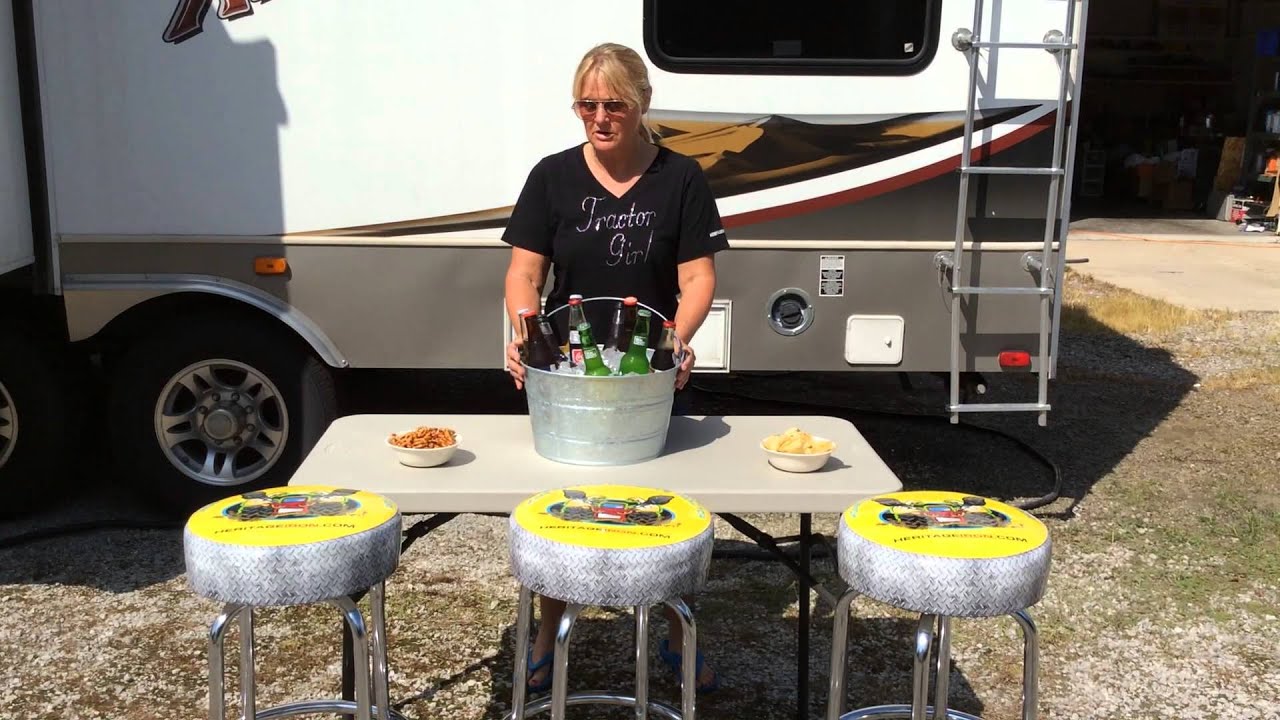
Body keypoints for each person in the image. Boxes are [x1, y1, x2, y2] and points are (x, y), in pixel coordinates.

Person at [501, 42, 727, 693]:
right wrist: (524, 330)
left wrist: (673, 344)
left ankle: (678, 636)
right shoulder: (552, 176)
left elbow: (698, 277)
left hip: (646, 375)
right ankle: (549, 631)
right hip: (566, 375)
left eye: (614, 104)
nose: (600, 117)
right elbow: (523, 270)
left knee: (673, 509)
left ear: (641, 104)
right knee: (558, 509)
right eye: (587, 104)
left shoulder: (680, 178)